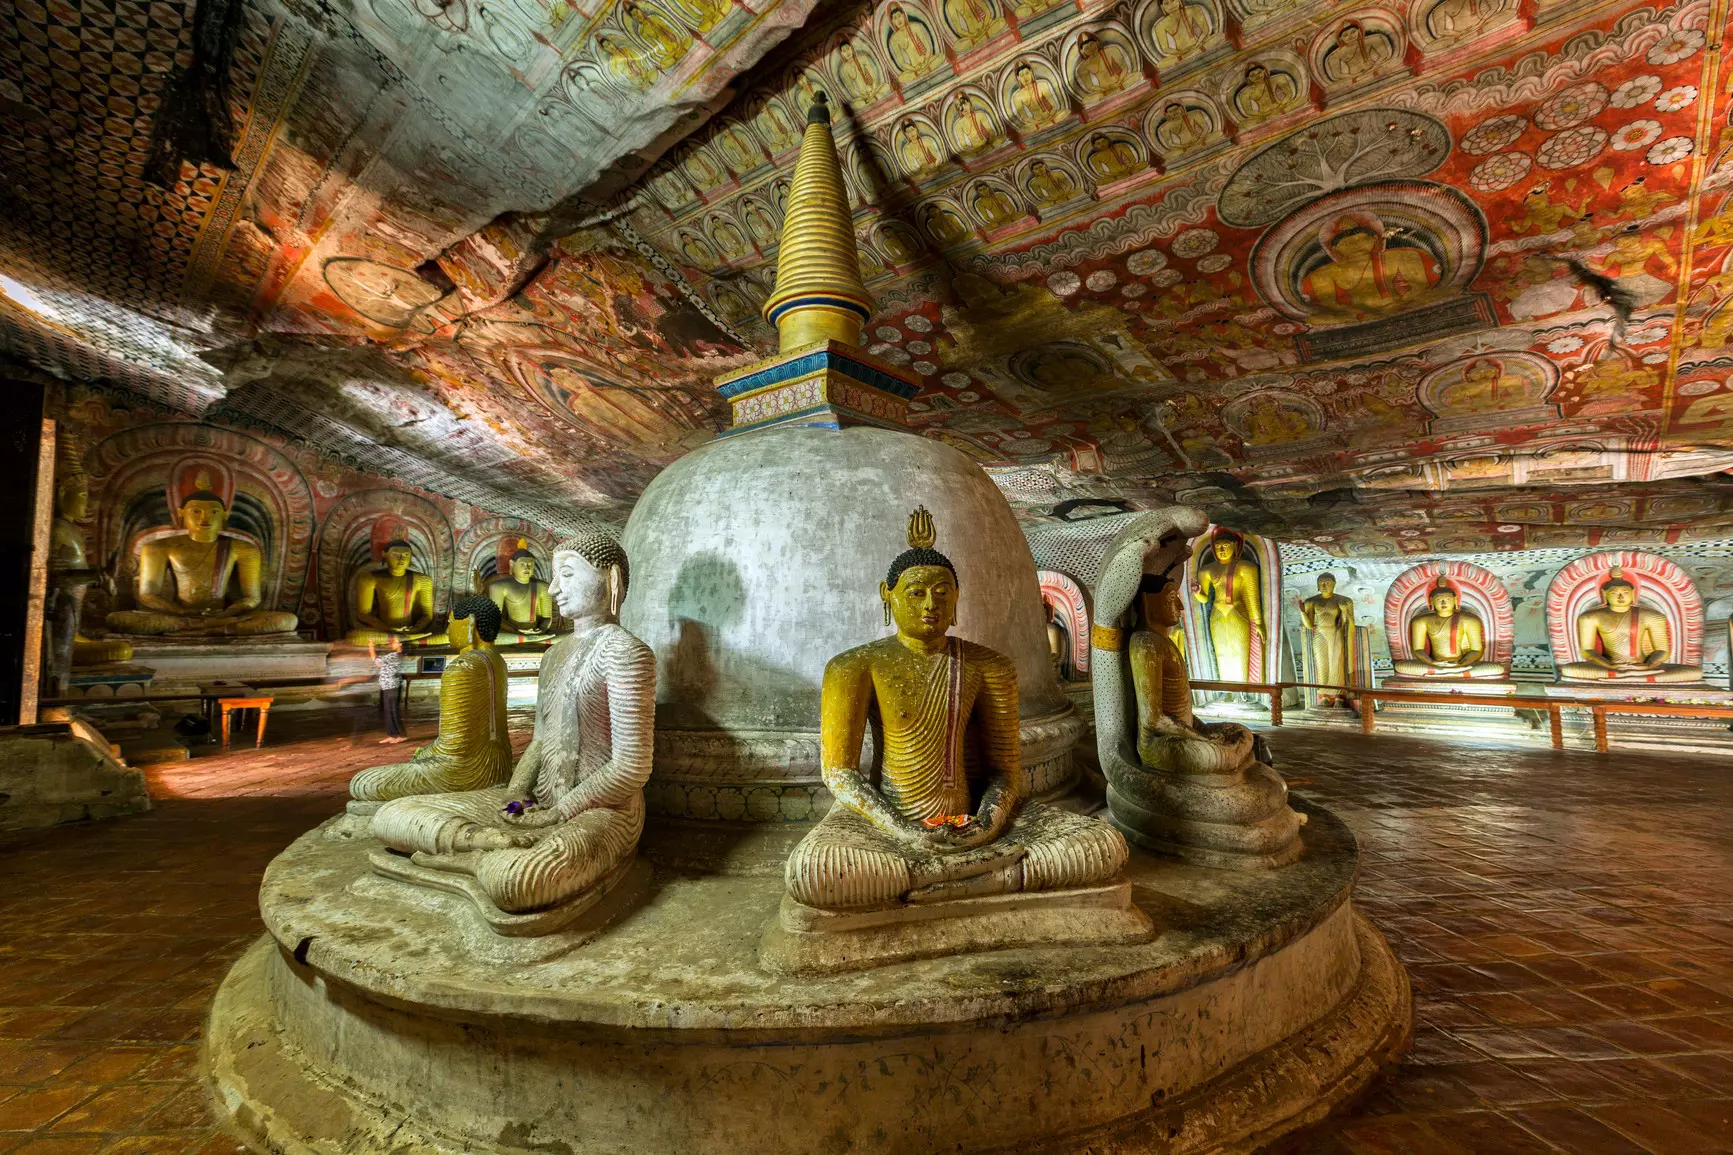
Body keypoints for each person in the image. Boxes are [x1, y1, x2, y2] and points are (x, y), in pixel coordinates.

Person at [372, 635, 408, 744]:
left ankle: (402, 735)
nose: (392, 644)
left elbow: (377, 662)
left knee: (393, 711)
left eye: (394, 642)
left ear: (400, 644)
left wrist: (371, 647)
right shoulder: (394, 655)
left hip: (392, 687)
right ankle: (392, 735)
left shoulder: (394, 656)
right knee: (388, 712)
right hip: (388, 686)